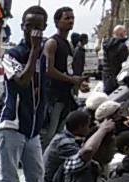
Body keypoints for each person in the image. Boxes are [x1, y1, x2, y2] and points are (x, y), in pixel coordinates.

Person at [0, 6, 49, 182]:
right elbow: (22, 81)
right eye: (29, 26)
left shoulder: (42, 57)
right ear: (22, 27)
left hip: (33, 129)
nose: (33, 31)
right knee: (9, 181)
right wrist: (34, 51)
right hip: (12, 125)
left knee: (36, 178)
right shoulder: (12, 55)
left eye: (38, 27)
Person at [40, 8, 84, 149]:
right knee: (48, 133)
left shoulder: (69, 44)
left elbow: (68, 69)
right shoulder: (52, 43)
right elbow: (49, 70)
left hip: (66, 96)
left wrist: (78, 83)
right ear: (57, 21)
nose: (70, 21)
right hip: (53, 96)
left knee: (59, 134)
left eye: (72, 18)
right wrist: (72, 80)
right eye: (67, 18)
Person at [43, 108, 92, 182]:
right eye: (88, 126)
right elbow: (84, 157)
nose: (89, 129)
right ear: (80, 127)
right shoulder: (65, 143)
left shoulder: (62, 136)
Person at [102, 25, 129, 94]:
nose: (125, 34)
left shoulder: (107, 43)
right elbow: (126, 61)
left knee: (108, 95)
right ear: (121, 34)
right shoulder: (121, 46)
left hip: (106, 75)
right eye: (124, 32)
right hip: (116, 76)